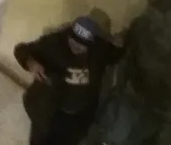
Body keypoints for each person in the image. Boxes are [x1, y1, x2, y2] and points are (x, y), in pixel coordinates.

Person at [13, 14, 121, 145]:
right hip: (49, 111)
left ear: (91, 44)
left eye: (81, 45)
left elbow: (118, 54)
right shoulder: (54, 44)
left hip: (77, 118)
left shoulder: (99, 50)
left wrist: (122, 40)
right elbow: (21, 50)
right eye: (73, 41)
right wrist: (31, 63)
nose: (76, 46)